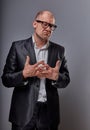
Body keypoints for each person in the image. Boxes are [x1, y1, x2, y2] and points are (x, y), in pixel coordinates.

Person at [1, 10, 70, 130]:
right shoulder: (17, 47)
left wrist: (56, 77)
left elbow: (66, 80)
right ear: (34, 24)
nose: (48, 29)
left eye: (52, 26)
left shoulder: (59, 50)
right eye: (45, 24)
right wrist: (24, 74)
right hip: (23, 113)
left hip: (49, 114)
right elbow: (6, 79)